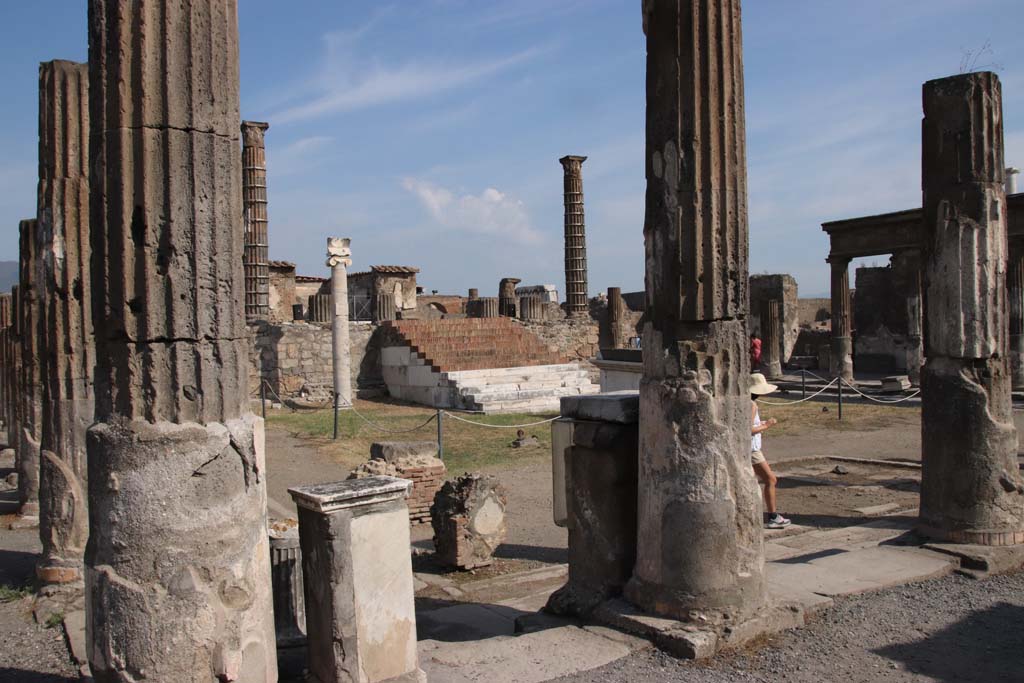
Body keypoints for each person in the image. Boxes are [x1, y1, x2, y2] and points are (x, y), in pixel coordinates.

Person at [750, 372, 790, 529]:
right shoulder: (752, 405)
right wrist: (767, 425)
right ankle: (773, 516)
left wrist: (761, 423)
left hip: (750, 448)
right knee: (770, 479)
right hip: (752, 450)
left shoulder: (747, 403)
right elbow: (747, 429)